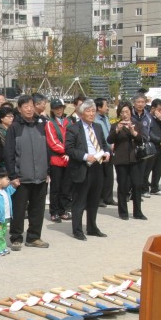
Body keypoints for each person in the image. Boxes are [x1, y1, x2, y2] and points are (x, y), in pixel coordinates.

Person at [4, 94, 50, 249]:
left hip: (41, 176)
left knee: (38, 209)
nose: (29, 109)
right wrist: (13, 176)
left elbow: (47, 149)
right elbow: (9, 153)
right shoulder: (14, 128)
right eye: (26, 106)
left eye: (31, 105)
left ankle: (33, 237)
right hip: (21, 178)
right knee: (19, 210)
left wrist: (47, 171)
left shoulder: (41, 125)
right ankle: (16, 237)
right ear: (19, 109)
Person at [65, 99, 111, 238]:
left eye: (93, 111)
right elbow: (69, 148)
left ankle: (92, 227)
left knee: (94, 199)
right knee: (80, 200)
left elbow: (103, 144)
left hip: (97, 166)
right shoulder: (73, 128)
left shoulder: (97, 127)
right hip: (82, 167)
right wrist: (85, 156)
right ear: (81, 113)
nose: (91, 114)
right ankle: (77, 230)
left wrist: (107, 153)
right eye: (88, 111)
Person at [110, 102, 148, 221]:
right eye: (122, 112)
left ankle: (138, 212)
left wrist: (133, 132)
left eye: (127, 112)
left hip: (135, 159)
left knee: (137, 185)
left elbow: (143, 139)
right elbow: (109, 139)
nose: (125, 114)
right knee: (123, 186)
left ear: (131, 112)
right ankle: (123, 212)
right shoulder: (115, 125)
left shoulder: (137, 124)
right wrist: (117, 130)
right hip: (121, 160)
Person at [44, 99, 72, 223]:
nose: (59, 110)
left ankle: (63, 210)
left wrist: (70, 152)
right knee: (55, 187)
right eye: (56, 108)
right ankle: (54, 211)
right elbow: (53, 142)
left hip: (68, 159)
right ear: (52, 110)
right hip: (56, 159)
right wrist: (67, 151)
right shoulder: (50, 123)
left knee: (66, 187)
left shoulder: (69, 121)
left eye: (61, 108)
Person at [131, 94, 154, 197]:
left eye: (142, 102)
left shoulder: (148, 116)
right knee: (131, 170)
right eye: (138, 102)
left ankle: (140, 191)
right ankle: (130, 191)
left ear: (145, 103)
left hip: (143, 146)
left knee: (142, 170)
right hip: (131, 146)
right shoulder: (130, 114)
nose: (140, 104)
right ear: (134, 103)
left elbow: (150, 130)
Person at [95, 97, 117, 206]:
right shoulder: (95, 119)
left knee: (109, 175)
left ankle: (108, 197)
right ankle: (99, 199)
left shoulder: (106, 118)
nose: (107, 108)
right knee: (100, 176)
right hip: (100, 150)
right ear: (99, 107)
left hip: (110, 149)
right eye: (105, 105)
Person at [146, 99, 161, 197]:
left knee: (158, 169)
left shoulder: (160, 118)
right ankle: (144, 189)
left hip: (160, 147)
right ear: (153, 108)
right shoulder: (147, 117)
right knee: (147, 169)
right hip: (151, 146)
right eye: (159, 110)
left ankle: (155, 188)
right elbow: (148, 132)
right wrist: (158, 140)